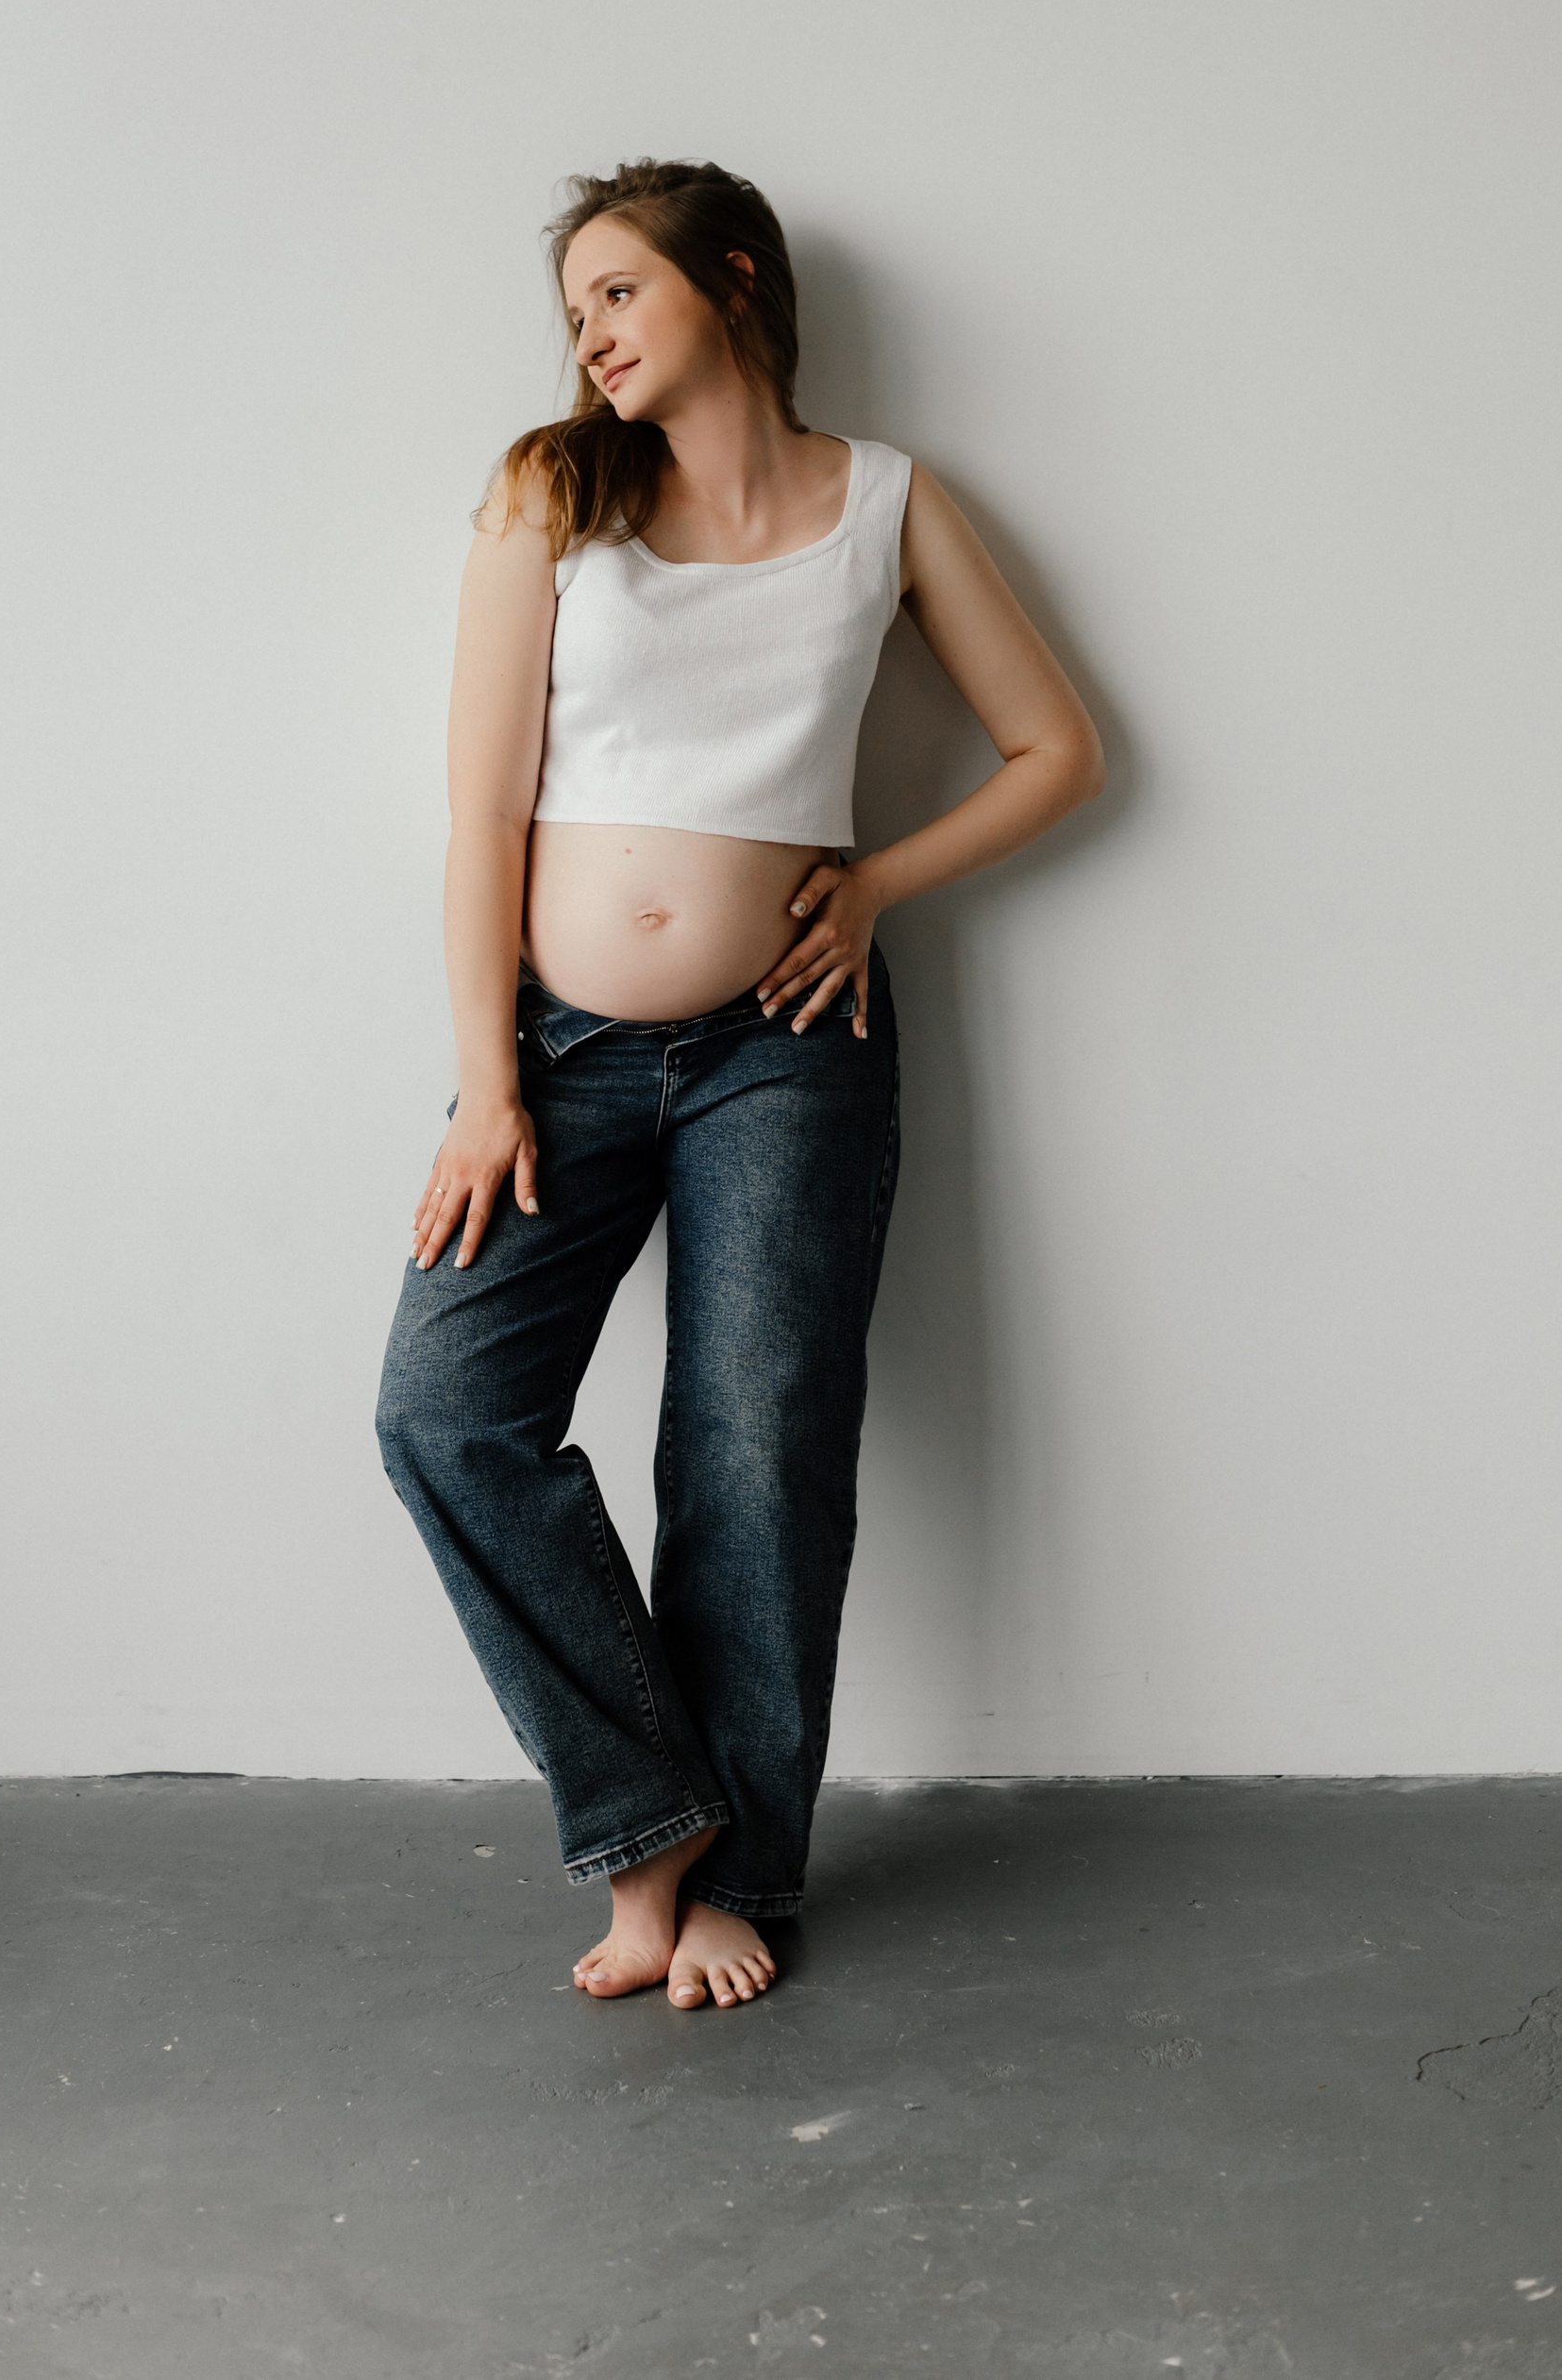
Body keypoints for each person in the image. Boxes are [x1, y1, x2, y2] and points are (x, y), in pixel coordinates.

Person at [375, 159, 1103, 2011]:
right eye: (576, 312)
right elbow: (480, 814)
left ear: (739, 280)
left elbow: (1058, 750)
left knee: (759, 1450)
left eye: (621, 291)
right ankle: (650, 1825)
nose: (594, 334)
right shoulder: (553, 494)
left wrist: (875, 883)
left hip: (790, 1045)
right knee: (445, 1413)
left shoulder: (892, 504)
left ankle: (731, 1883)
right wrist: (486, 1086)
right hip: (557, 1052)